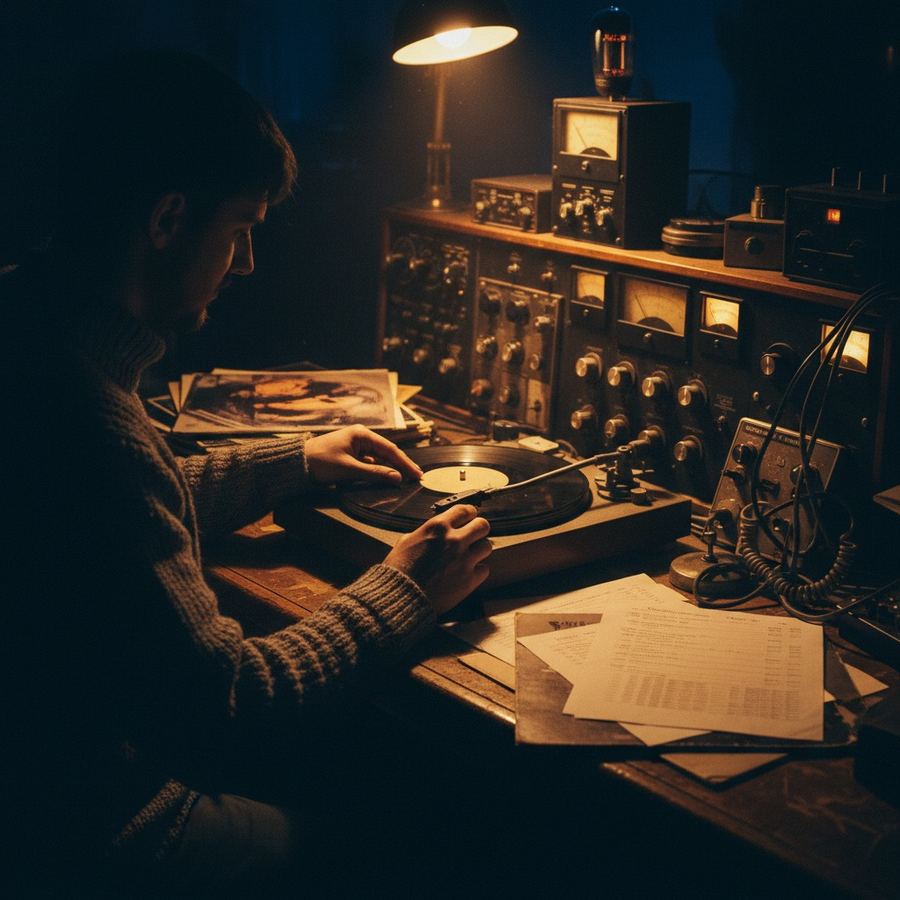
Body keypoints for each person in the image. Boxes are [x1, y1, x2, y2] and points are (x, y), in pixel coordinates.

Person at [1, 49, 491, 897]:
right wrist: (405, 588)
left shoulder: (28, 319)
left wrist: (296, 458)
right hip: (87, 828)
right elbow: (231, 711)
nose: (249, 264)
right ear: (165, 220)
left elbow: (108, 517)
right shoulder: (90, 420)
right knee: (425, 831)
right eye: (243, 228)